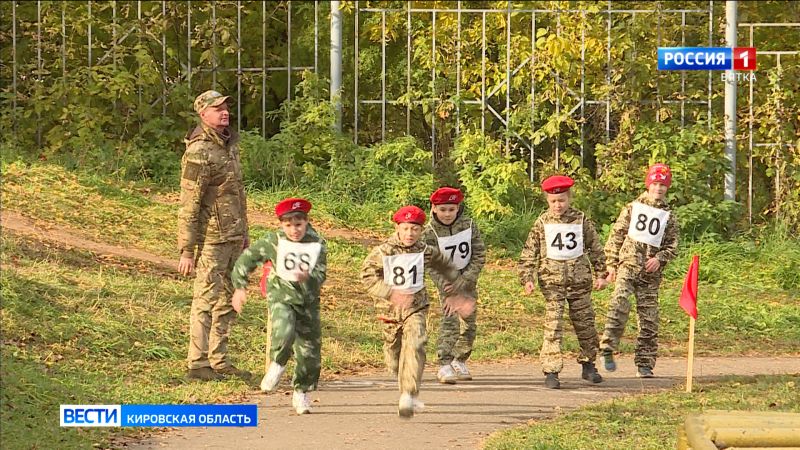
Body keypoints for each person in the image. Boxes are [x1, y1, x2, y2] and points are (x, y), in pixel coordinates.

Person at [360, 205, 470, 418]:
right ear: (397, 228)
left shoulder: (425, 251)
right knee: (394, 359)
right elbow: (367, 277)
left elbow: (447, 269)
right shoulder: (383, 251)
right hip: (389, 312)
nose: (410, 234)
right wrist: (390, 293)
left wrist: (459, 295)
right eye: (405, 228)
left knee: (416, 343)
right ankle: (402, 381)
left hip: (415, 307)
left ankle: (408, 394)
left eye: (415, 229)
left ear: (421, 231)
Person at [178, 90, 250, 381]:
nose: (225, 112)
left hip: (233, 235)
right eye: (217, 108)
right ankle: (197, 362)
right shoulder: (199, 151)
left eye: (226, 107)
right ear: (203, 114)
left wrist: (244, 234)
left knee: (229, 299)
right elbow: (189, 203)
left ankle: (219, 359)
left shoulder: (228, 145)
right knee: (206, 299)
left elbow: (238, 194)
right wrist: (187, 249)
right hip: (211, 239)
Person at [230, 198, 327, 415]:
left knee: (309, 352)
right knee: (284, 330)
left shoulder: (317, 243)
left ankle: (301, 391)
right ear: (281, 224)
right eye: (288, 225)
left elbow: (321, 273)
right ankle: (278, 363)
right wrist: (240, 287)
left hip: (308, 301)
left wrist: (308, 276)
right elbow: (247, 260)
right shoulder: (273, 240)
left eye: (298, 224)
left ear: (306, 222)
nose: (294, 230)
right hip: (281, 296)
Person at [518, 175, 608, 389]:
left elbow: (595, 247)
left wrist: (601, 273)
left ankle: (588, 364)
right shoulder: (542, 222)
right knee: (553, 327)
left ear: (569, 198)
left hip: (580, 282)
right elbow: (529, 252)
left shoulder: (581, 220)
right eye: (553, 201)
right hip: (552, 283)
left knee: (586, 325)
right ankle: (551, 370)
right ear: (547, 200)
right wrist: (527, 278)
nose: (557, 205)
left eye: (562, 200)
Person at [600, 163, 679, 378]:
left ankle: (645, 363)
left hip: (650, 275)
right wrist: (611, 264)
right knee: (619, 304)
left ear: (667, 187)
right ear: (648, 184)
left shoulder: (669, 215)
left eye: (663, 185)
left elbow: (672, 246)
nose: (658, 188)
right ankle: (608, 347)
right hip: (628, 266)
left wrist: (659, 259)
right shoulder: (632, 208)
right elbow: (616, 235)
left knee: (649, 320)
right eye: (655, 184)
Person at [422, 187, 486, 384]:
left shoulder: (469, 225)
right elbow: (430, 263)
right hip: (447, 285)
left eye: (451, 209)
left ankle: (460, 359)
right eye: (443, 210)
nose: (447, 214)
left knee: (469, 323)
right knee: (450, 322)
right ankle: (444, 363)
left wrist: (467, 279)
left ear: (458, 208)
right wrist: (446, 284)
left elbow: (479, 253)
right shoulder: (429, 232)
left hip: (467, 281)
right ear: (434, 209)